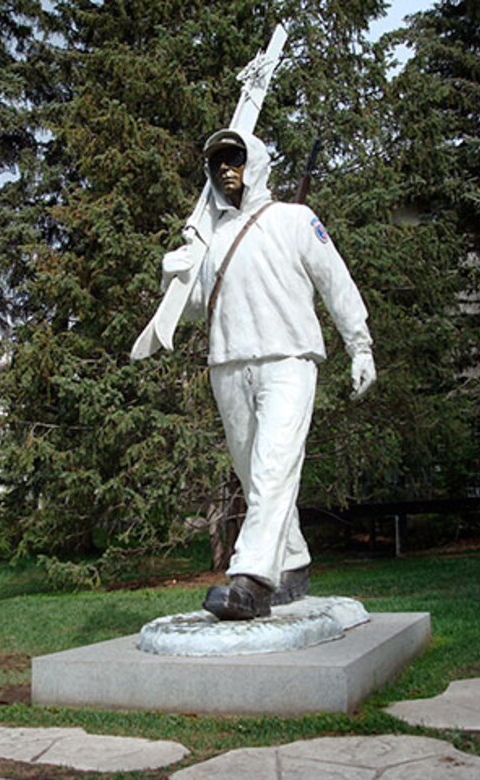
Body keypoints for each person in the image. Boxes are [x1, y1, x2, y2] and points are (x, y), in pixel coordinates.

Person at [162, 128, 377, 620]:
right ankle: (293, 562)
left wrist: (359, 345)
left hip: (288, 359)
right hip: (228, 363)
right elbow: (195, 308)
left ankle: (252, 580)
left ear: (255, 163)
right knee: (255, 476)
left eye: (235, 158)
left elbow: (335, 281)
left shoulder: (295, 220)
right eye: (217, 162)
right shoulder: (212, 241)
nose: (226, 169)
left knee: (274, 467)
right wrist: (174, 274)